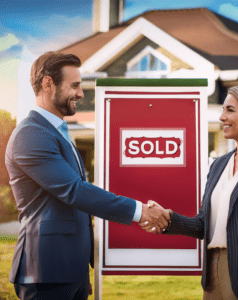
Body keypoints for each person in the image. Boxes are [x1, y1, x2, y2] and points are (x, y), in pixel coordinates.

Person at [5, 51, 170, 300]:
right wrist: (140, 211)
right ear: (48, 83)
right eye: (75, 86)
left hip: (71, 267)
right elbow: (74, 191)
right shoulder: (31, 135)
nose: (81, 94)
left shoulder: (57, 131)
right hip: (46, 271)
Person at [142, 85, 238, 300]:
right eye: (223, 110)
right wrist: (168, 218)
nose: (222, 116)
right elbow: (204, 224)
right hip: (212, 274)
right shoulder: (218, 165)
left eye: (230, 110)